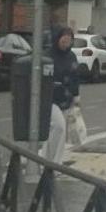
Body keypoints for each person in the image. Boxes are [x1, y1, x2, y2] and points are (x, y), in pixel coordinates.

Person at [45, 26, 80, 164]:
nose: (66, 42)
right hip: (50, 98)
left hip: (66, 99)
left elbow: (75, 76)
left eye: (69, 39)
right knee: (59, 126)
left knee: (60, 132)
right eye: (64, 38)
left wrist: (76, 96)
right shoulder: (48, 55)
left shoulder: (71, 56)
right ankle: (51, 161)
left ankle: (52, 162)